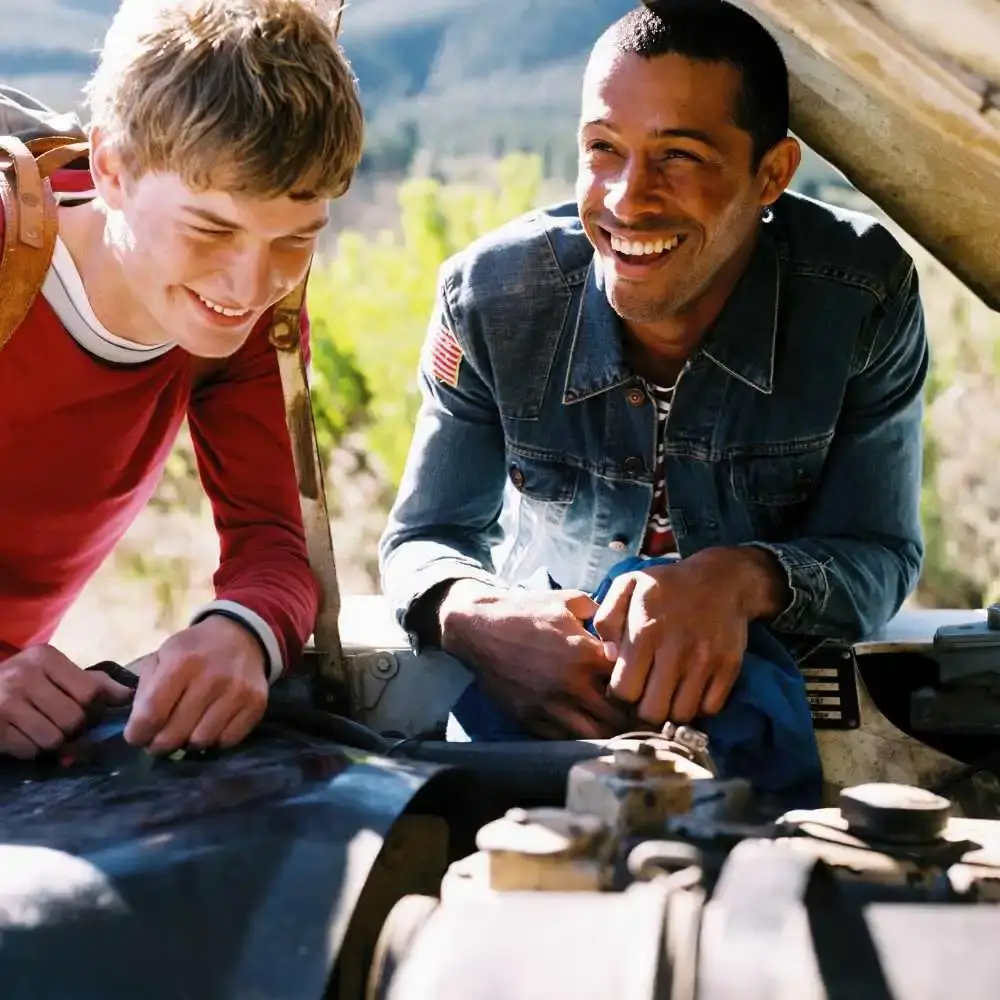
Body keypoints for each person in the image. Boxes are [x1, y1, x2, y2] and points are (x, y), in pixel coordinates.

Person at [379, 0, 928, 748]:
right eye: (603, 148)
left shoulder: (859, 297)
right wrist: (475, 618)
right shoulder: (491, 301)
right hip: (542, 727)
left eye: (678, 156)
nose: (627, 200)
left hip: (765, 738)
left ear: (772, 174)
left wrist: (740, 581)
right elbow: (424, 536)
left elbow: (881, 552)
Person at [0, 0, 363, 759]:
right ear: (110, 170)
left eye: (296, 238)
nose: (250, 282)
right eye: (211, 229)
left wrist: (240, 634)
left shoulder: (249, 325)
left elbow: (276, 543)